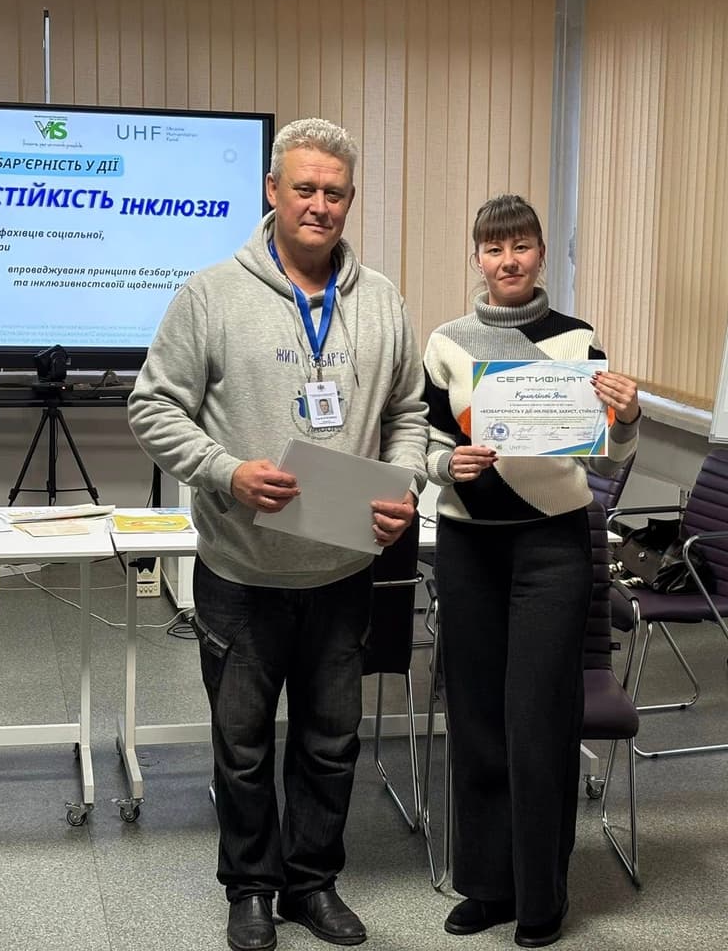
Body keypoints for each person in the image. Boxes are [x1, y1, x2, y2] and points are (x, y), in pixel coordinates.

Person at [128, 118, 427, 951]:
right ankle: (251, 889)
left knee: (332, 744)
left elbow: (409, 412)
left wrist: (400, 479)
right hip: (243, 570)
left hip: (342, 569)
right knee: (245, 746)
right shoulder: (210, 294)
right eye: (304, 188)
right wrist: (226, 471)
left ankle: (312, 885)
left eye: (334, 192)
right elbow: (152, 406)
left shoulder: (382, 301)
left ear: (350, 200)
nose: (319, 205)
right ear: (272, 191)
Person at [422, 194, 639, 947]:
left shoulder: (578, 340)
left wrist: (628, 416)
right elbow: (420, 442)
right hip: (469, 541)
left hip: (552, 543)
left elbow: (606, 454)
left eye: (520, 246)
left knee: (538, 715)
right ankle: (487, 885)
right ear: (477, 259)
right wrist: (447, 463)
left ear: (542, 253)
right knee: (476, 713)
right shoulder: (446, 342)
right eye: (492, 248)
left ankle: (542, 891)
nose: (507, 261)